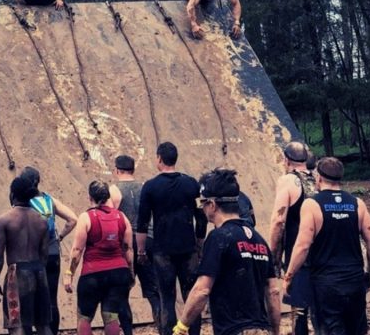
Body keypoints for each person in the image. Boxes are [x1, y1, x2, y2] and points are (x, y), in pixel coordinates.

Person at [283, 157, 370, 335]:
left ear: (318, 177)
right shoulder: (357, 204)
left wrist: (289, 276)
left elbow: (303, 246)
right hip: (354, 280)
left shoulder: (312, 205)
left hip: (326, 285)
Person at [175, 169, 280, 335]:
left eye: (203, 204)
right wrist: (275, 330)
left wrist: (181, 326)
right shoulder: (259, 240)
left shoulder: (218, 238)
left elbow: (202, 290)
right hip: (262, 329)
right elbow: (273, 291)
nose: (202, 209)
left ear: (212, 204)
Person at [136, 142, 206, 335]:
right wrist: (199, 243)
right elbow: (200, 217)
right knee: (191, 296)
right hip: (188, 248)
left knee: (166, 297)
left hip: (162, 251)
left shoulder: (150, 187)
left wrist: (141, 251)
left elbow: (142, 223)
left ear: (159, 158)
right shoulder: (191, 183)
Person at [63, 181, 133, 335]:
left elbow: (77, 250)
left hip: (92, 275)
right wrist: (131, 273)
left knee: (84, 318)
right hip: (119, 274)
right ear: (108, 196)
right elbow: (128, 249)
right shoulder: (122, 217)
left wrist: (69, 274)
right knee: (111, 316)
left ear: (90, 197)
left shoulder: (86, 217)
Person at [266, 142, 316, 335]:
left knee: (299, 309)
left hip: (298, 252)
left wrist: (274, 254)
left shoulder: (288, 180)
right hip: (322, 250)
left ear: (286, 159)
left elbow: (279, 220)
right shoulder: (319, 178)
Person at [20, 166, 76, 335]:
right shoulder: (49, 199)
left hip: (33, 256)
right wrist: (60, 237)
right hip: (53, 253)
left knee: (30, 298)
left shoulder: (24, 202)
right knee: (51, 299)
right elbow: (72, 219)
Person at [0, 176, 51, 335]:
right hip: (39, 271)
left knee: (16, 324)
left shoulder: (3, 221)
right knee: (43, 324)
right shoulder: (43, 221)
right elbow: (44, 254)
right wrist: (39, 273)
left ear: (12, 194)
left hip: (16, 274)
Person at [109, 155, 160, 333]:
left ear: (116, 170)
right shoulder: (145, 187)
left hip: (126, 244)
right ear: (133, 169)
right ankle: (164, 330)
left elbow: (110, 219)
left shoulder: (114, 191)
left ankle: (129, 332)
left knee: (123, 293)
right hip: (149, 240)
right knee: (154, 293)